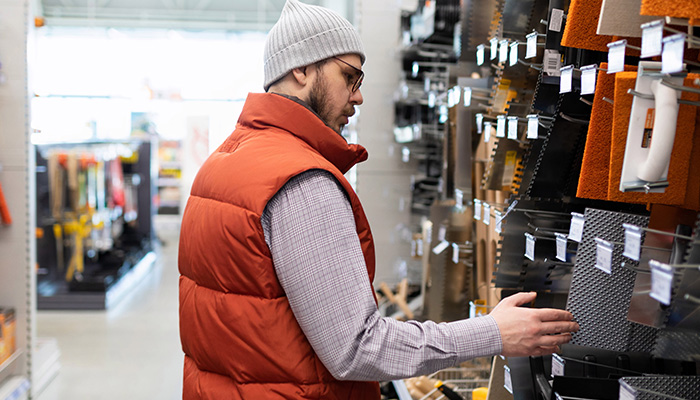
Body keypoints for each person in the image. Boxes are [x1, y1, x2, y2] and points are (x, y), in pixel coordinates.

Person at [178, 0, 579, 399]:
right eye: (349, 77)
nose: (359, 97)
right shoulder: (301, 182)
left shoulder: (222, 164)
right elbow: (357, 347)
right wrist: (491, 333)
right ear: (300, 69)